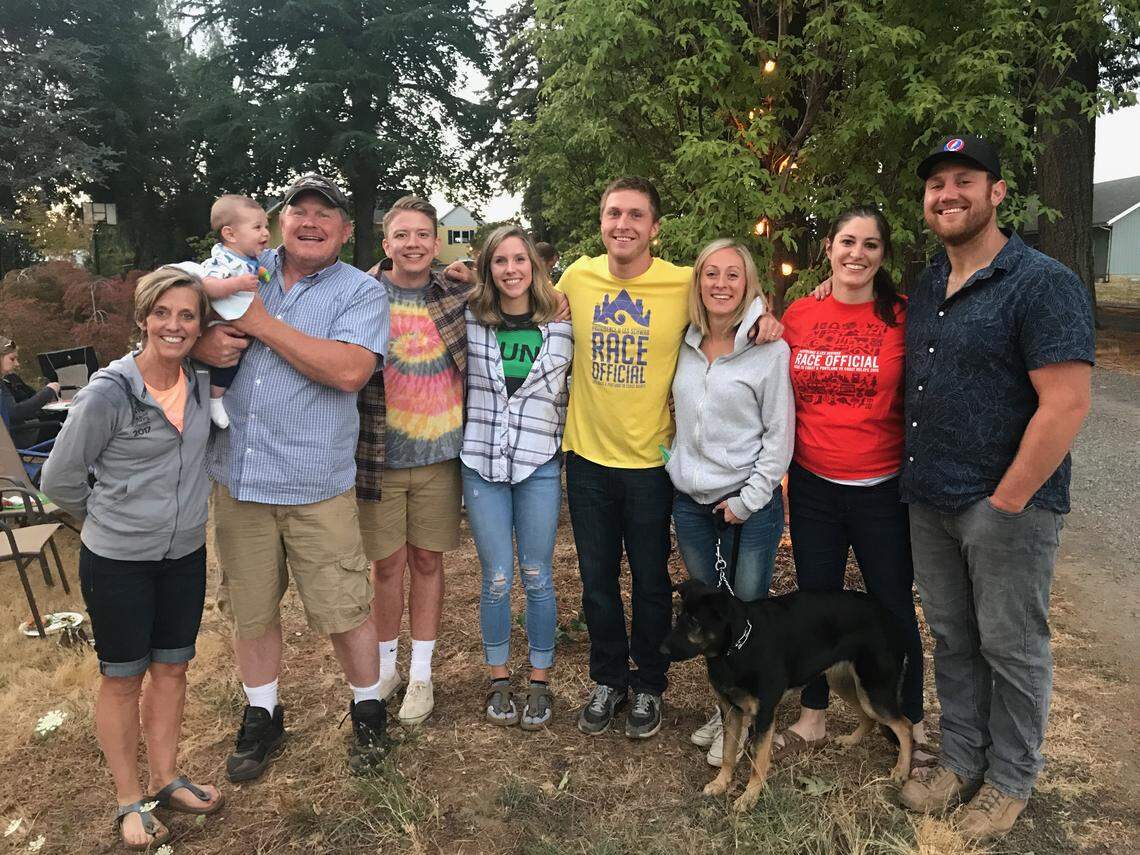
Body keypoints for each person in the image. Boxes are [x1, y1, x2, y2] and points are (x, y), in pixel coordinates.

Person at [894, 135, 1094, 842]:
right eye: (936, 185)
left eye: (964, 181)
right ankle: (960, 760)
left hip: (1005, 507)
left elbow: (1066, 402)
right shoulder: (926, 284)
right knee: (953, 638)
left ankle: (1009, 779)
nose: (947, 194)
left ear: (997, 192)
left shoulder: (1041, 282)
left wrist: (1006, 500)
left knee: (1011, 645)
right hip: (930, 499)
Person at [558, 177, 782, 740]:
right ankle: (608, 679)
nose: (623, 224)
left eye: (636, 215)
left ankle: (649, 685)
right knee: (597, 581)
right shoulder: (576, 277)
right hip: (586, 460)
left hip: (653, 467)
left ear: (655, 228)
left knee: (653, 583)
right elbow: (511, 291)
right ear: (601, 220)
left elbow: (735, 291)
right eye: (614, 213)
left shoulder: (681, 282)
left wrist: (771, 316)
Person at [192, 173, 391, 780]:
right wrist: (200, 345)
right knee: (250, 611)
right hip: (238, 480)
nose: (310, 221)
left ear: (346, 230)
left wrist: (258, 322)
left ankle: (367, 709)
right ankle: (263, 713)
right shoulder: (234, 265)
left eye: (324, 214)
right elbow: (168, 316)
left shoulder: (360, 292)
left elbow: (351, 371)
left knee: (344, 608)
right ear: (279, 220)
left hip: (315, 485)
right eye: (297, 210)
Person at [41, 267, 222, 850]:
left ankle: (167, 778)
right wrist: (110, 516)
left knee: (172, 668)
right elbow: (60, 479)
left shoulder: (199, 385)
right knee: (123, 679)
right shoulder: (108, 393)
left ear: (200, 326)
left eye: (187, 315)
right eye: (163, 313)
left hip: (185, 554)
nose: (174, 325)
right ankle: (129, 800)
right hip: (117, 559)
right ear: (143, 319)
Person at [777, 207, 931, 772]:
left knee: (892, 607)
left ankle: (908, 718)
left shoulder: (905, 317)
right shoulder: (800, 313)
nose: (856, 254)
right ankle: (814, 713)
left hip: (882, 489)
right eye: (847, 242)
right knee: (815, 604)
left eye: (870, 245)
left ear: (883, 256)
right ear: (828, 247)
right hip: (814, 484)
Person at [665, 238, 793, 766]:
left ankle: (746, 718)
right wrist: (673, 460)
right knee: (708, 612)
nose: (720, 284)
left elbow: (778, 435)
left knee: (745, 616)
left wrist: (749, 499)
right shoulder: (684, 341)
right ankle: (724, 712)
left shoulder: (769, 350)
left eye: (732, 275)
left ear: (750, 285)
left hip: (748, 505)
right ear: (698, 282)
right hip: (692, 505)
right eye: (710, 274)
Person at [355, 196, 470, 728]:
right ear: (386, 243)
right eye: (402, 235)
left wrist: (558, 300)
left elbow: (524, 290)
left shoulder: (458, 291)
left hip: (441, 457)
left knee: (427, 563)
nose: (414, 244)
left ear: (436, 242)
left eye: (423, 234)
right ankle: (385, 670)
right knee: (385, 568)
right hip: (379, 455)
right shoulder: (360, 294)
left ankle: (421, 674)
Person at [460, 225, 573, 730]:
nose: (511, 270)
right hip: (481, 461)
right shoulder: (470, 320)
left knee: (537, 575)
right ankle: (500, 678)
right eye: (500, 261)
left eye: (519, 260)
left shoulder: (564, 325)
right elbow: (398, 282)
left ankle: (541, 680)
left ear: (536, 266)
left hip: (538, 463)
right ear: (489, 268)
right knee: (497, 578)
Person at [172, 194, 271, 429]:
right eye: (257, 227)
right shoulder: (222, 262)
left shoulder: (246, 258)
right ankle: (215, 398)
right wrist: (237, 285)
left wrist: (261, 275)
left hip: (235, 318)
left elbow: (254, 272)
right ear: (230, 234)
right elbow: (208, 287)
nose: (265, 233)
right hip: (218, 323)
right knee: (228, 364)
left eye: (266, 226)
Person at [0, 336, 61, 444]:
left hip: (13, 434)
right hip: (13, 440)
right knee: (65, 422)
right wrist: (48, 391)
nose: (17, 364)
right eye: (12, 359)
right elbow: (14, 413)